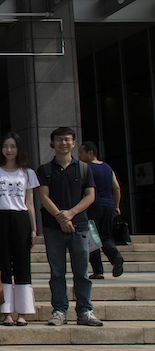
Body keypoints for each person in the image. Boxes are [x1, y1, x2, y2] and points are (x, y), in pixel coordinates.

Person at [39, 127, 102, 327]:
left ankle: (84, 311)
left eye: (67, 139)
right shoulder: (45, 170)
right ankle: (59, 311)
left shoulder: (84, 168)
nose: (63, 143)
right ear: (52, 143)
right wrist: (61, 218)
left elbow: (90, 196)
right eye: (59, 139)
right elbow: (43, 197)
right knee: (57, 273)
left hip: (79, 227)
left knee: (82, 272)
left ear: (74, 143)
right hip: (53, 228)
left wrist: (71, 214)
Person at [0, 132, 40, 326]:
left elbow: (30, 203)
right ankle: (7, 312)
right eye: (5, 146)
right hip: (0, 218)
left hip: (21, 218)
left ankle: (22, 312)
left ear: (19, 149)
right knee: (3, 265)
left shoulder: (28, 173)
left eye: (13, 146)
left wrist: (33, 229)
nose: (9, 150)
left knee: (22, 264)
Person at [79, 141, 125, 279]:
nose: (79, 156)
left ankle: (98, 271)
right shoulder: (107, 167)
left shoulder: (87, 168)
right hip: (108, 206)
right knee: (106, 237)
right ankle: (115, 256)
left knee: (92, 238)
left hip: (93, 206)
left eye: (81, 153)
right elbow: (116, 187)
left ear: (90, 153)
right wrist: (116, 206)